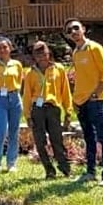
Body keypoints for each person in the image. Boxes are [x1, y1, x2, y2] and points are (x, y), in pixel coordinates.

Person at [65, 19, 103, 188]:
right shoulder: (76, 52)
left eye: (76, 28)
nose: (73, 31)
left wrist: (96, 93)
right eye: (69, 30)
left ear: (83, 29)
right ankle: (90, 172)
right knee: (89, 138)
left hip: (95, 101)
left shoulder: (95, 48)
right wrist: (75, 100)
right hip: (81, 102)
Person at [23, 40, 73, 179]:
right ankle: (49, 170)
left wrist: (68, 112)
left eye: (43, 53)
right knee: (40, 142)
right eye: (37, 53)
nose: (41, 56)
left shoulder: (58, 69)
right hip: (37, 110)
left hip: (53, 109)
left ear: (48, 53)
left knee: (57, 140)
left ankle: (65, 168)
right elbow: (27, 95)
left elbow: (65, 91)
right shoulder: (30, 73)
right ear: (34, 56)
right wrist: (27, 116)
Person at [0, 37, 25, 174]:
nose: (2, 50)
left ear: (10, 48)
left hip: (14, 98)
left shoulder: (17, 64)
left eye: (5, 47)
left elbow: (20, 80)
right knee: (2, 130)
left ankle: (11, 162)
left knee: (14, 131)